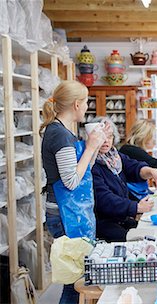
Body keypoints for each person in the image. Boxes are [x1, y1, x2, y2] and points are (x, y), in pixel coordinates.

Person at [40, 80, 108, 304]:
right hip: (64, 214)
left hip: (69, 211)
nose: (88, 106)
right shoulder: (59, 135)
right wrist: (89, 147)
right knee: (75, 283)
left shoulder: (63, 131)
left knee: (77, 279)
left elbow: (82, 172)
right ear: (76, 104)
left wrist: (96, 145)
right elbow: (70, 182)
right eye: (86, 101)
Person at [91, 117, 157, 242]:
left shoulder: (115, 156)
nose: (106, 141)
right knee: (142, 241)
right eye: (102, 136)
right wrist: (136, 207)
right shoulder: (92, 163)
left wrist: (152, 171)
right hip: (104, 223)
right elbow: (104, 199)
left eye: (110, 136)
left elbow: (134, 167)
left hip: (121, 218)